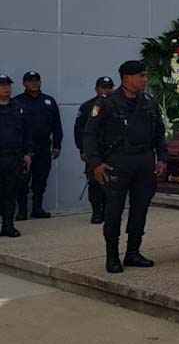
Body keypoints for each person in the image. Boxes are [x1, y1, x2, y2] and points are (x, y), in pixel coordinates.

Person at [82, 61, 167, 274]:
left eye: (145, 76)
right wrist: (95, 163)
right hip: (117, 163)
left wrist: (162, 158)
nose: (144, 80)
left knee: (140, 210)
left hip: (144, 163)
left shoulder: (149, 102)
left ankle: (133, 253)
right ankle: (112, 257)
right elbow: (90, 135)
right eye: (141, 76)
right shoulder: (107, 104)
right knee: (113, 212)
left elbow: (159, 133)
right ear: (127, 78)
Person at [13, 71, 62, 219]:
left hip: (43, 147)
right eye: (30, 81)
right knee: (22, 181)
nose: (34, 83)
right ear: (24, 83)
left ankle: (37, 209)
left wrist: (57, 145)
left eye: (36, 80)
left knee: (40, 180)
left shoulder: (49, 101)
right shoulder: (16, 102)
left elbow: (56, 125)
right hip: (24, 149)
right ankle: (22, 211)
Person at [74, 76, 116, 224]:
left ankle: (109, 211)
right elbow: (79, 130)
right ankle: (97, 212)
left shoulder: (117, 105)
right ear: (96, 89)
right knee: (94, 183)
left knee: (113, 183)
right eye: (103, 87)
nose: (106, 90)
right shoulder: (88, 107)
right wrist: (83, 150)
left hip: (113, 152)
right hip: (94, 152)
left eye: (109, 87)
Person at [0, 75, 31, 237]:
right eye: (2, 85)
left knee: (10, 193)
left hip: (13, 158)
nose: (6, 88)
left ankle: (8, 225)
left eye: (8, 85)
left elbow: (26, 132)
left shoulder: (18, 107)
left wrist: (27, 153)